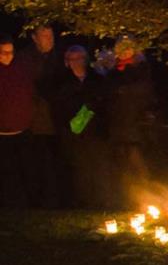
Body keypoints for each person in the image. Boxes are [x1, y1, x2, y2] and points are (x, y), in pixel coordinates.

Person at [49, 45, 111, 207]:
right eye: (73, 59)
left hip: (96, 131)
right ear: (67, 62)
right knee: (77, 169)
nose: (77, 62)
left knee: (98, 166)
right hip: (73, 133)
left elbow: (104, 103)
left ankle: (101, 201)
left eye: (80, 58)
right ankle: (81, 202)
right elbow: (58, 107)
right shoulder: (61, 82)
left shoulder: (97, 79)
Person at [103, 37, 158, 203]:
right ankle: (126, 198)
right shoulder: (113, 73)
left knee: (139, 163)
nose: (125, 51)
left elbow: (146, 94)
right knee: (122, 165)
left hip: (136, 124)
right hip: (118, 125)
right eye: (121, 48)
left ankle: (147, 197)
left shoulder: (141, 69)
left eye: (128, 48)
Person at [17, 24, 62, 206]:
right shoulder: (25, 59)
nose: (49, 40)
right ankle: (40, 200)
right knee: (39, 161)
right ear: (35, 38)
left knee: (56, 160)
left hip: (57, 119)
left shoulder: (59, 57)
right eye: (44, 36)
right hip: (36, 121)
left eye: (51, 35)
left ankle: (57, 198)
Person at [0, 37, 33, 207]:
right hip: (2, 133)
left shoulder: (19, 71)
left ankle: (21, 204)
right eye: (4, 53)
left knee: (21, 171)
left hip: (21, 130)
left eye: (11, 52)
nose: (8, 56)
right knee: (5, 172)